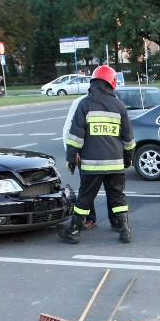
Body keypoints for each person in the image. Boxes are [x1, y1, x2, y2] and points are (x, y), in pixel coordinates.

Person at [59, 65, 136, 244]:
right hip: (115, 164)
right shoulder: (119, 105)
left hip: (92, 165)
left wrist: (72, 158)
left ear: (93, 82)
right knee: (118, 197)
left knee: (85, 198)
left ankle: (74, 231)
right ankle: (125, 231)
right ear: (111, 82)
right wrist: (127, 159)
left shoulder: (84, 104)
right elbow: (129, 138)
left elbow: (75, 135)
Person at [61, 94, 117, 231]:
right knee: (87, 190)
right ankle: (90, 219)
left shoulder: (113, 101)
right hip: (87, 155)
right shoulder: (81, 102)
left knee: (112, 190)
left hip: (108, 154)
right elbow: (70, 128)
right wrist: (73, 153)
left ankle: (116, 220)